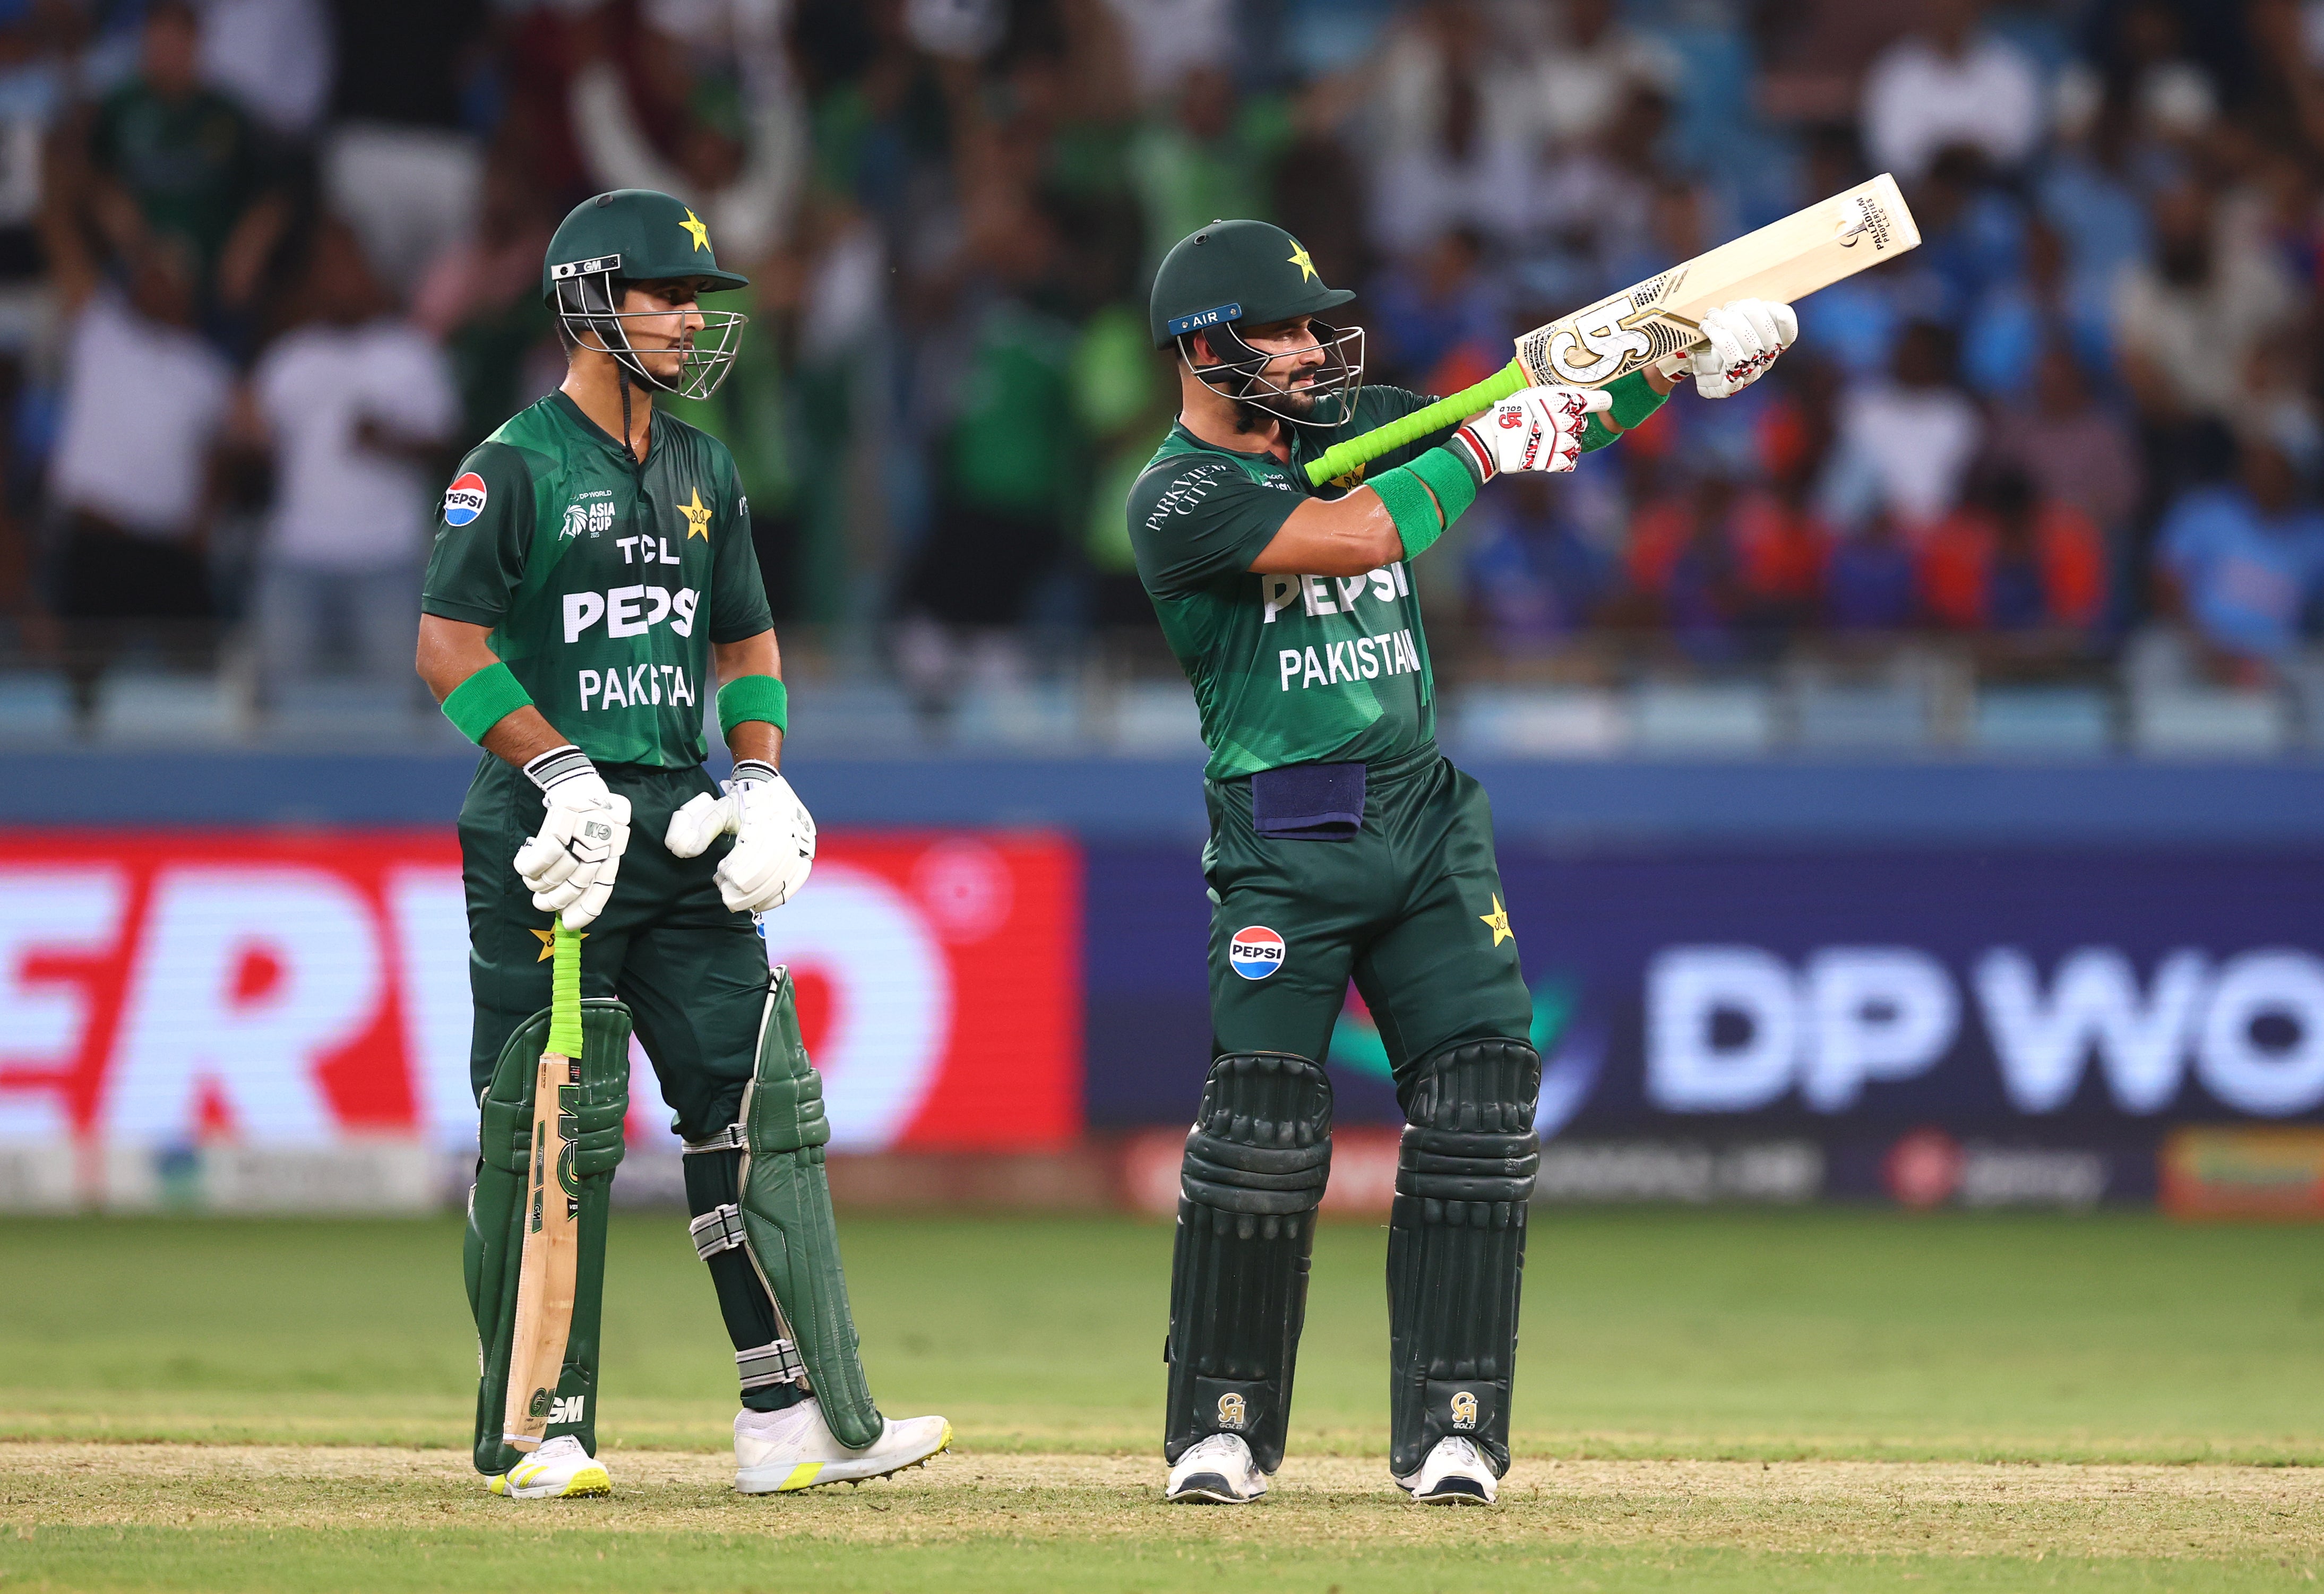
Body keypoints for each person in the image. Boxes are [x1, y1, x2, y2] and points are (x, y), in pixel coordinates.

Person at [1126, 218, 1796, 1506]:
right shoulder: (1173, 498)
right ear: (1205, 352)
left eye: (1315, 324)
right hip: (1283, 834)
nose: (1313, 348)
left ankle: (1455, 1427)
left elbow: (1543, 410)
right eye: (1282, 331)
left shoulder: (1359, 421)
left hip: (1422, 814)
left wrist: (1673, 369)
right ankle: (1221, 1427)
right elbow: (1360, 536)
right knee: (1261, 1130)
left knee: (1481, 1106)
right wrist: (1482, 449)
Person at [414, 187, 949, 1501]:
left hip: (679, 820)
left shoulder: (707, 467)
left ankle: (794, 1415)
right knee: (550, 1119)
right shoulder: (514, 464)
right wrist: (556, 767)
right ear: (591, 304)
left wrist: (759, 779)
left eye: (696, 300)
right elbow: (446, 646)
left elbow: (747, 641)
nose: (691, 321)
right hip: (549, 832)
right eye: (666, 297)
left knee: (761, 1102)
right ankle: (541, 1427)